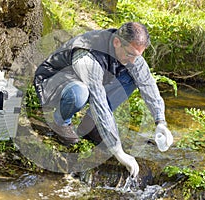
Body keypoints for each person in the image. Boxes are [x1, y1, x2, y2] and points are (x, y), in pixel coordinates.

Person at [33, 22, 173, 177]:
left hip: (85, 81)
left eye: (137, 56)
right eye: (131, 55)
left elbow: (147, 83)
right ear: (116, 42)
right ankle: (60, 122)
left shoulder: (129, 50)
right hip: (53, 82)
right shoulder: (88, 53)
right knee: (80, 92)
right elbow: (99, 100)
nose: (133, 60)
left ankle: (90, 125)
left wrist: (161, 122)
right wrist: (118, 150)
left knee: (132, 78)